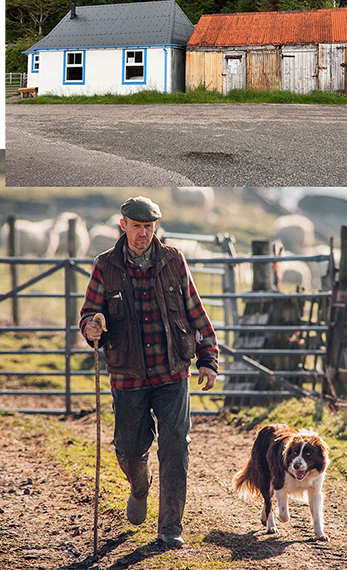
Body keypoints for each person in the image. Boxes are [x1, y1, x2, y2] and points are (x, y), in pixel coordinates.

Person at [79, 196, 218, 549]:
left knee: (175, 446)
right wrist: (90, 328)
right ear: (122, 225)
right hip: (128, 374)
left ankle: (170, 527)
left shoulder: (174, 261)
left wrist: (208, 359)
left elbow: (195, 313)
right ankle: (139, 487)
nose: (143, 233)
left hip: (172, 371)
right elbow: (89, 313)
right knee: (128, 450)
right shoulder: (105, 266)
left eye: (149, 226)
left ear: (156, 226)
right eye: (137, 226)